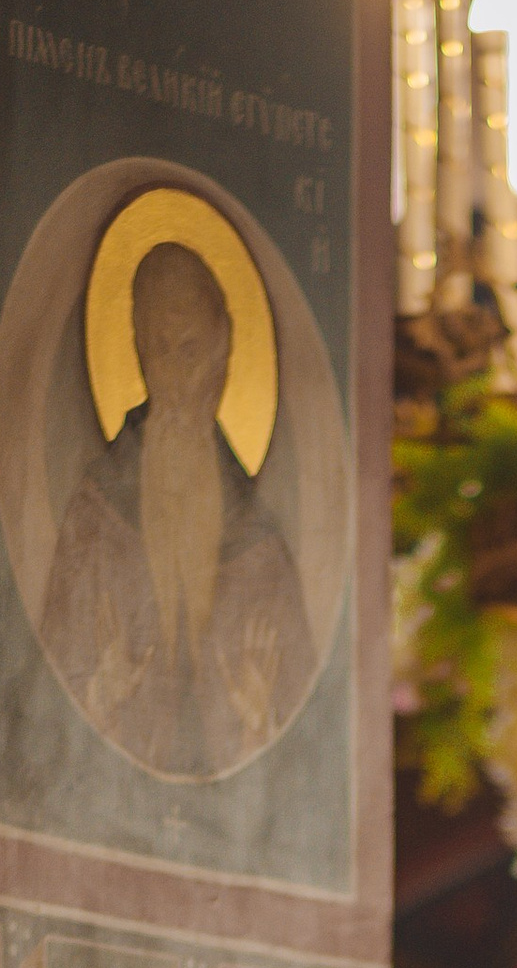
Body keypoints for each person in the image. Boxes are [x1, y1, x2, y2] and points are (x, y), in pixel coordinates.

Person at [40, 236, 317, 779]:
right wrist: (99, 694)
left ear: (220, 358)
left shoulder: (260, 547)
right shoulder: (95, 517)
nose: (173, 378)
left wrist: (258, 723)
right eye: (158, 349)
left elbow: (303, 746)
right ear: (139, 353)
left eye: (189, 350)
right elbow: (42, 712)